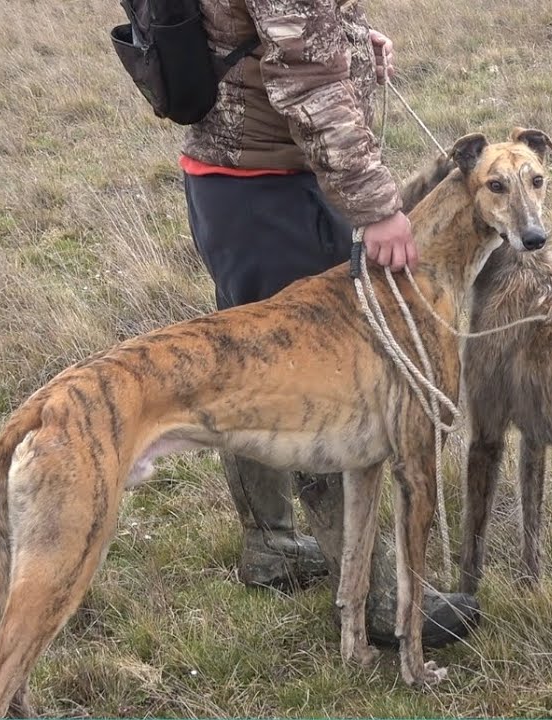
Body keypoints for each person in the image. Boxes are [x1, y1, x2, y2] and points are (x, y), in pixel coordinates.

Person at [179, 0, 479, 647]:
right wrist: (375, 207)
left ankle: (272, 543)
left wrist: (345, 36)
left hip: (238, 180)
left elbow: (270, 32)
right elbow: (305, 80)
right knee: (316, 382)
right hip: (271, 188)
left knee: (248, 361)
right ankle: (382, 599)